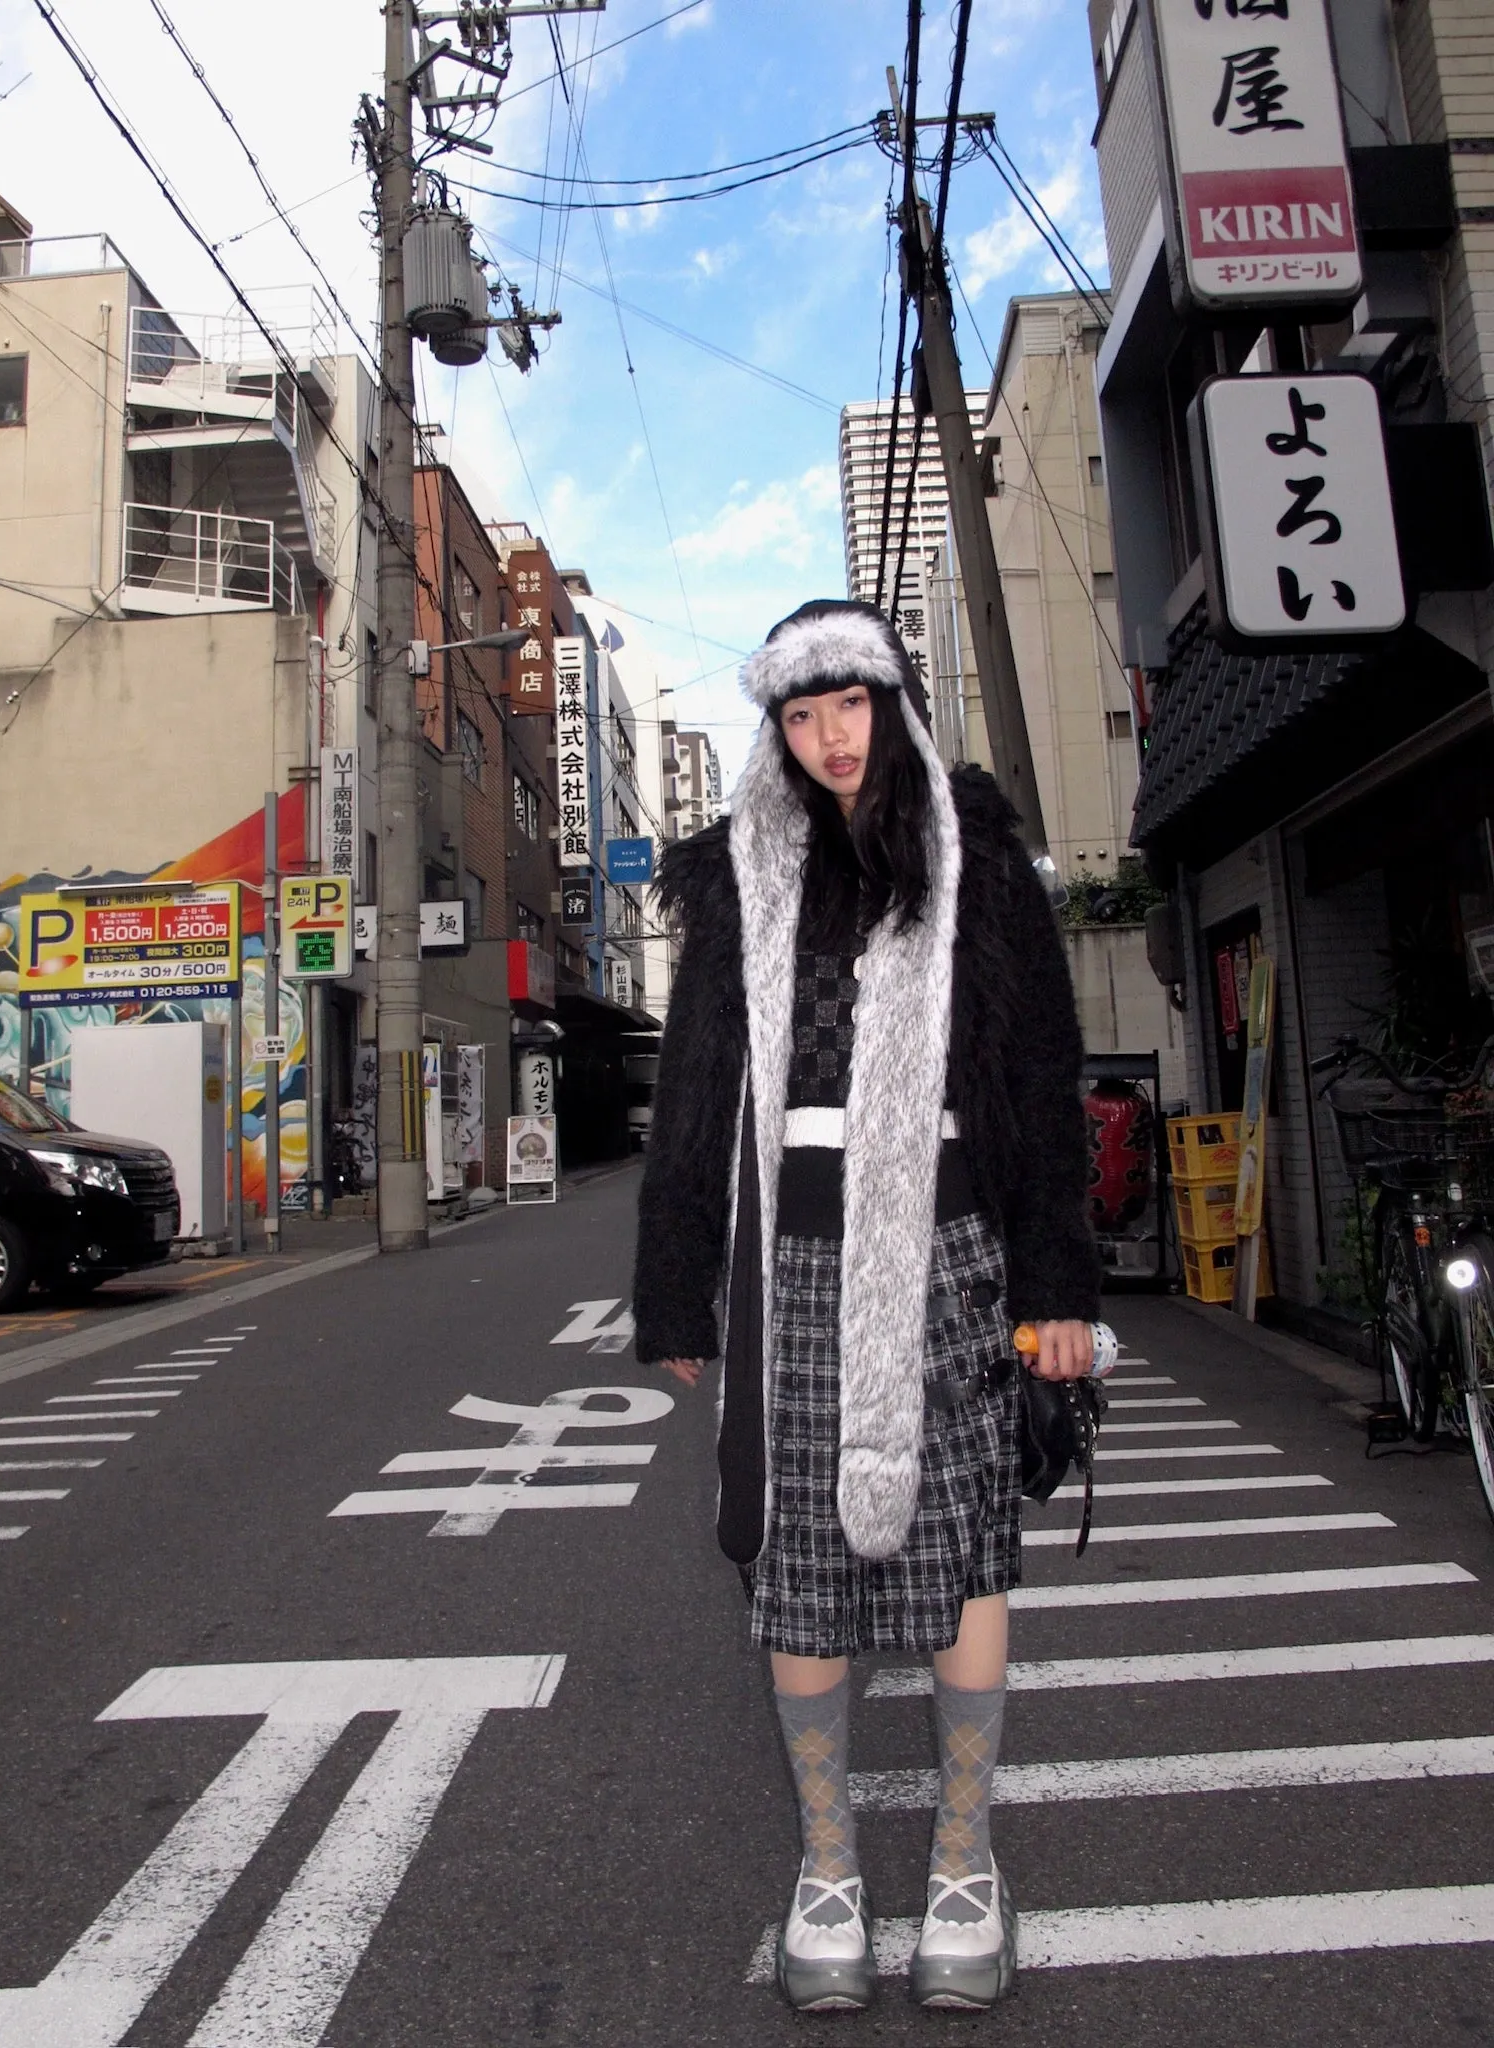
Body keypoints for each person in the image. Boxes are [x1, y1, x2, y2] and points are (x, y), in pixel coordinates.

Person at [633, 599, 1098, 2012]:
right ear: (774, 731)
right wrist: (674, 1291)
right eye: (800, 715)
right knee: (801, 1564)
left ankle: (966, 1853)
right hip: (791, 1252)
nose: (830, 740)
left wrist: (1057, 1285)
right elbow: (699, 1086)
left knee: (963, 1543)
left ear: (892, 706)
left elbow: (1037, 1071)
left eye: (850, 707)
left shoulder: (971, 850)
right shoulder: (742, 873)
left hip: (954, 1238)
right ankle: (827, 1860)